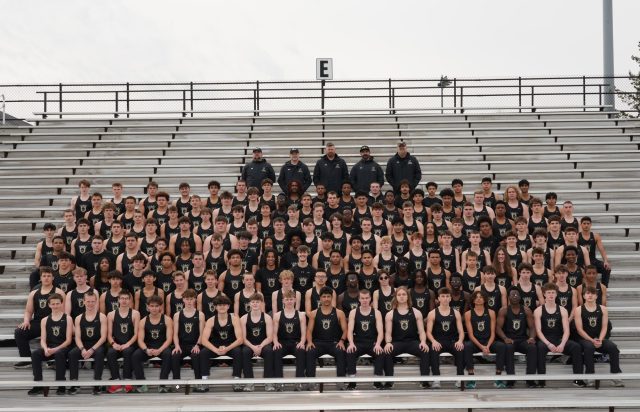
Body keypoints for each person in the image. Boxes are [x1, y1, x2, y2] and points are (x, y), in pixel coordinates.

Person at [534, 282, 585, 388]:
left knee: (576, 347)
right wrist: (548, 344)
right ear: (544, 294)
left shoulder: (563, 310)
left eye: (553, 292)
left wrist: (562, 344)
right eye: (548, 293)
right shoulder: (538, 310)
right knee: (539, 348)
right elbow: (538, 331)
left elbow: (567, 330)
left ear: (556, 294)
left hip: (558, 339)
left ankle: (578, 379)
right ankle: (541, 380)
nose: (551, 295)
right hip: (545, 340)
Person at [15, 267, 65, 369]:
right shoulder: (34, 293)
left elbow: (63, 312)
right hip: (38, 322)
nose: (46, 278)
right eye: (44, 276)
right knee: (19, 332)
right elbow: (28, 311)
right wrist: (26, 321)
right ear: (40, 278)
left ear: (53, 278)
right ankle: (26, 359)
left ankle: (52, 360)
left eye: (49, 276)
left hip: (53, 322)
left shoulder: (59, 292)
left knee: (56, 334)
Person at [575, 286, 624, 387]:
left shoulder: (603, 309)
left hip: (599, 338)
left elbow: (604, 327)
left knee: (613, 347)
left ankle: (615, 375)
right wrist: (591, 340)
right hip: (585, 338)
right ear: (583, 296)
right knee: (589, 347)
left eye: (592, 293)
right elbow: (579, 330)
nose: (590, 295)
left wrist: (600, 339)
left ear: (596, 296)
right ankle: (590, 375)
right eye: (588, 293)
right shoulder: (578, 310)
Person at [383, 287, 430, 389]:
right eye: (399, 295)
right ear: (396, 297)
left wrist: (423, 341)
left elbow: (422, 331)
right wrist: (388, 342)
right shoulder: (390, 314)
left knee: (425, 350)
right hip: (397, 342)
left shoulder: (416, 312)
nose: (401, 297)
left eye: (404, 294)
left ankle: (424, 381)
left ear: (408, 296)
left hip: (412, 342)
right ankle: (389, 381)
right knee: (387, 351)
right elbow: (388, 332)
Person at [28, 293, 73, 396]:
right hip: (49, 347)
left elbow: (68, 340)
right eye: (53, 304)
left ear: (62, 304)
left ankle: (61, 384)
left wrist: (55, 349)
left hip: (63, 348)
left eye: (57, 303)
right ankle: (38, 384)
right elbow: (43, 339)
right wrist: (45, 349)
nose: (55, 306)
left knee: (59, 354)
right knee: (35, 354)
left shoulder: (68, 318)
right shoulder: (44, 320)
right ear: (49, 305)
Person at [199, 295, 244, 391]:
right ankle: (204, 381)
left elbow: (240, 339)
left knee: (238, 352)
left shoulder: (235, 319)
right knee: (203, 352)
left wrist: (227, 349)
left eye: (224, 305)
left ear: (228, 306)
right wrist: (215, 349)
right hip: (216, 346)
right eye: (219, 305)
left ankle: (237, 380)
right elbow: (204, 340)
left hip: (230, 345)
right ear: (215, 307)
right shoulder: (211, 321)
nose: (222, 307)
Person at [463, 290, 507, 389]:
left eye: (481, 297)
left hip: (488, 341)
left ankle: (498, 377)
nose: (478, 299)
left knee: (501, 346)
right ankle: (471, 378)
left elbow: (492, 333)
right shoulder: (468, 314)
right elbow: (470, 335)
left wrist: (487, 345)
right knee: (467, 346)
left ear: (485, 299)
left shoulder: (491, 312)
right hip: (476, 342)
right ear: (473, 300)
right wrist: (482, 347)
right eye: (476, 297)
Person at [306, 287, 348, 389]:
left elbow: (345, 330)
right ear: (320, 298)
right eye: (324, 297)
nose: (326, 299)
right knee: (310, 351)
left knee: (341, 351)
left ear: (332, 297)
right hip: (318, 343)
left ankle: (341, 381)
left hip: (334, 343)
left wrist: (342, 341)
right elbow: (309, 330)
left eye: (328, 296)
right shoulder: (314, 313)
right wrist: (310, 342)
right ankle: (310, 381)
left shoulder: (339, 313)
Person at [68, 289, 107, 395]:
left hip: (97, 344)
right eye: (88, 301)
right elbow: (77, 337)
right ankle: (74, 384)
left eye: (93, 301)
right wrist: (82, 349)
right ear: (84, 302)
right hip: (83, 345)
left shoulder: (102, 317)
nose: (90, 304)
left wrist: (92, 350)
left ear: (96, 302)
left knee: (99, 354)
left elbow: (103, 337)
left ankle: (97, 384)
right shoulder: (78, 318)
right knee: (72, 354)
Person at [497, 287, 538, 388]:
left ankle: (530, 380)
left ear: (520, 297)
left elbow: (532, 327)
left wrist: (532, 338)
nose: (515, 296)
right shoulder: (504, 310)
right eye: (512, 295)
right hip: (509, 339)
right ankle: (510, 379)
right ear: (508, 297)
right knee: (508, 348)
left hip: (522, 339)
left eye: (516, 295)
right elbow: (497, 328)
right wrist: (505, 338)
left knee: (532, 348)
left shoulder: (527, 310)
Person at [132, 294, 173, 393]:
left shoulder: (167, 320)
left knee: (168, 354)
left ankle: (162, 385)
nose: (154, 308)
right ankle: (141, 384)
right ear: (147, 307)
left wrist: (160, 350)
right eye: (152, 306)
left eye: (156, 306)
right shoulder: (143, 321)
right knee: (135, 356)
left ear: (160, 307)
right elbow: (140, 340)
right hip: (148, 347)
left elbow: (169, 339)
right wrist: (146, 350)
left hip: (162, 347)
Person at [346, 289, 385, 390]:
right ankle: (352, 382)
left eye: (367, 298)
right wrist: (351, 343)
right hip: (358, 342)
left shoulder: (376, 312)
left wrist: (378, 344)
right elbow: (349, 331)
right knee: (350, 351)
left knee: (380, 352)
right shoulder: (353, 312)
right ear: (359, 299)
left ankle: (377, 381)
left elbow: (381, 332)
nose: (365, 300)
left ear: (370, 299)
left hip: (372, 342)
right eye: (362, 298)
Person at [426, 287, 465, 389]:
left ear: (450, 298)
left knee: (460, 349)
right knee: (433, 350)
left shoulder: (456, 313)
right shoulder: (432, 313)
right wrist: (433, 341)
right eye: (443, 296)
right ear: (438, 298)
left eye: (447, 296)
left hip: (452, 341)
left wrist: (460, 341)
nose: (445, 298)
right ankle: (436, 379)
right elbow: (428, 332)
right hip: (438, 341)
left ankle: (460, 378)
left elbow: (461, 331)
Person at [272, 290, 307, 391]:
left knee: (301, 351)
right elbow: (274, 333)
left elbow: (304, 332)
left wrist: (302, 342)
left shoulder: (300, 315)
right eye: (287, 299)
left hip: (295, 342)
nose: (289, 301)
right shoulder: (277, 315)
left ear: (295, 300)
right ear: (283, 301)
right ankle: (279, 382)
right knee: (276, 351)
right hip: (282, 342)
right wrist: (275, 342)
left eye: (291, 299)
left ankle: (299, 382)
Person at [106, 290, 140, 393]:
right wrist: (113, 344)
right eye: (122, 298)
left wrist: (128, 344)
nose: (124, 301)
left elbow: (136, 334)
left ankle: (127, 380)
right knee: (110, 353)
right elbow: (109, 334)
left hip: (130, 343)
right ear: (118, 300)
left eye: (126, 298)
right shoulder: (111, 314)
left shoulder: (135, 313)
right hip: (117, 343)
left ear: (130, 300)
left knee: (128, 351)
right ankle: (116, 382)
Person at [171, 289, 205, 389]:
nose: (189, 301)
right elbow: (175, 333)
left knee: (196, 355)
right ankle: (176, 384)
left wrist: (198, 345)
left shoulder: (200, 314)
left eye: (191, 299)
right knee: (175, 355)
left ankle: (199, 382)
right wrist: (177, 346)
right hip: (182, 344)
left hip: (195, 344)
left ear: (195, 300)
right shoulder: (177, 315)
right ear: (183, 300)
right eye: (187, 299)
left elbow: (202, 333)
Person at [240, 293, 274, 392]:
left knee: (269, 351)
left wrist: (260, 346)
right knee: (245, 352)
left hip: (263, 343)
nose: (255, 304)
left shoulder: (267, 317)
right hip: (249, 344)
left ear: (262, 303)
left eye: (257, 302)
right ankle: (249, 382)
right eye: (253, 302)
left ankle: (268, 382)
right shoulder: (243, 318)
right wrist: (253, 347)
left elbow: (270, 337)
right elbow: (243, 338)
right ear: (249, 303)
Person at [578, 216, 612, 286]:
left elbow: (602, 250)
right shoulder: (577, 236)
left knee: (607, 268)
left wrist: (605, 261)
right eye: (584, 223)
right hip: (581, 262)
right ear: (581, 225)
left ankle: (604, 288)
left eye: (588, 223)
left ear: (591, 224)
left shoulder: (595, 236)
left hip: (593, 260)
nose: (586, 225)